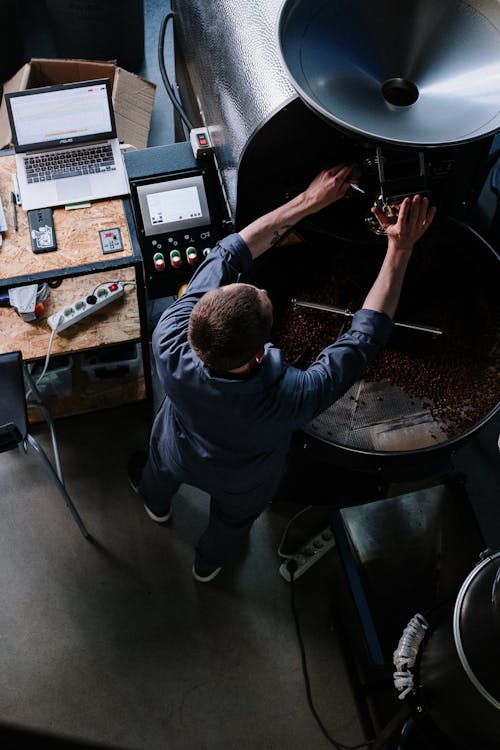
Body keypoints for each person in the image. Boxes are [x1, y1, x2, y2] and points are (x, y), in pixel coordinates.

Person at [128, 164, 436, 582]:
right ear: (259, 353)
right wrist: (399, 249)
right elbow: (364, 337)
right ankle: (207, 564)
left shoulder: (171, 334)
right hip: (245, 482)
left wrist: (309, 201)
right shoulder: (291, 397)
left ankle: (155, 504)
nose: (260, 287)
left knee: (158, 473)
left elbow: (229, 253)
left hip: (177, 447)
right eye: (262, 299)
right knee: (232, 522)